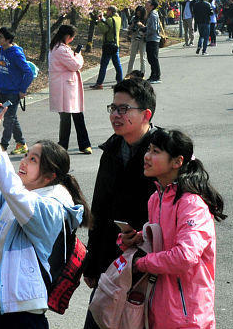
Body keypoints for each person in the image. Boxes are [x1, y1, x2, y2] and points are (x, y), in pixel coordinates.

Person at [0, 108, 91, 329]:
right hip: (1, 305)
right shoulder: (20, 196)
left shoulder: (52, 207)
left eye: (33, 159)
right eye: (25, 155)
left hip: (24, 314)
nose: (23, 162)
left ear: (50, 176)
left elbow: (13, 191)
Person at [120, 129, 226, 329]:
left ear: (177, 162)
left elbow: (185, 256)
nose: (147, 156)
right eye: (148, 149)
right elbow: (163, 240)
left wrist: (142, 263)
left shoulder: (191, 204)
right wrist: (137, 239)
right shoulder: (156, 198)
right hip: (158, 310)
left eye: (156, 151)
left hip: (188, 317)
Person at [82, 77, 160, 329]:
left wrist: (143, 237)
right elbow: (100, 208)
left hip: (145, 267)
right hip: (110, 264)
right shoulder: (112, 149)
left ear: (146, 114)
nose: (115, 115)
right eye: (113, 108)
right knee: (98, 321)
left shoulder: (163, 152)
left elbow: (171, 211)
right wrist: (92, 262)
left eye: (123, 109)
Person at [48, 25, 92, 154]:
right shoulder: (61, 49)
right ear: (67, 36)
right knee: (69, 116)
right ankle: (69, 145)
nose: (72, 40)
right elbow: (75, 65)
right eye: (72, 37)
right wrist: (78, 55)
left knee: (72, 115)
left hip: (65, 86)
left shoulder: (56, 47)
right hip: (66, 87)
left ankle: (72, 144)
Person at [0, 27, 34, 154]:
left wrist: (22, 89)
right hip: (3, 89)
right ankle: (21, 143)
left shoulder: (16, 53)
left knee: (8, 118)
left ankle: (3, 145)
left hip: (13, 91)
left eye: (0, 37)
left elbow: (28, 73)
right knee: (12, 117)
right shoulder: (0, 51)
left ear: (8, 39)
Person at [90, 6, 123, 89]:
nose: (106, 13)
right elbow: (111, 25)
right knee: (117, 65)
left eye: (107, 11)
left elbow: (104, 29)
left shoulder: (110, 20)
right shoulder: (118, 19)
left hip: (108, 44)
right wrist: (103, 19)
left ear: (111, 11)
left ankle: (99, 83)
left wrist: (99, 21)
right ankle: (120, 82)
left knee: (104, 65)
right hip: (116, 44)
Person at [143, 0, 162, 83]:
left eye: (148, 2)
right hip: (150, 38)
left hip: (153, 39)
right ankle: (153, 75)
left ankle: (157, 76)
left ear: (152, 6)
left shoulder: (153, 15)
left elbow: (153, 29)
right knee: (150, 58)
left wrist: (145, 32)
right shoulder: (150, 14)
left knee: (153, 58)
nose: (146, 3)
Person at [126, 5, 147, 77]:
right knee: (132, 57)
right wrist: (132, 26)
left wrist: (141, 25)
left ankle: (142, 73)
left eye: (140, 13)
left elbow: (148, 29)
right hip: (134, 37)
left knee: (142, 57)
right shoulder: (134, 18)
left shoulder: (146, 18)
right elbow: (129, 29)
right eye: (137, 12)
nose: (138, 14)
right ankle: (129, 73)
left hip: (142, 39)